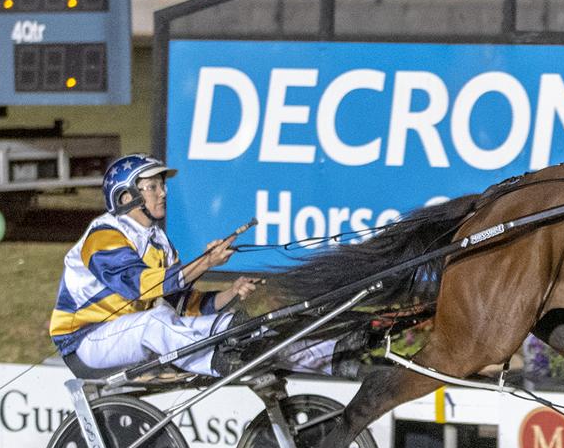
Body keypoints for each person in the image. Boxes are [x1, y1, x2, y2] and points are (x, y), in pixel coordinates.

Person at [49, 154, 360, 377]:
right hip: (85, 341)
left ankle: (331, 355)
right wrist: (206, 261)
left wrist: (232, 294)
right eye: (153, 186)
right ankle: (219, 359)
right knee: (155, 320)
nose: (164, 192)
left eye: (162, 185)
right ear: (127, 196)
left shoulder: (159, 243)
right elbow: (144, 286)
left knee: (238, 327)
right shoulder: (103, 235)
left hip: (130, 335)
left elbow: (186, 306)